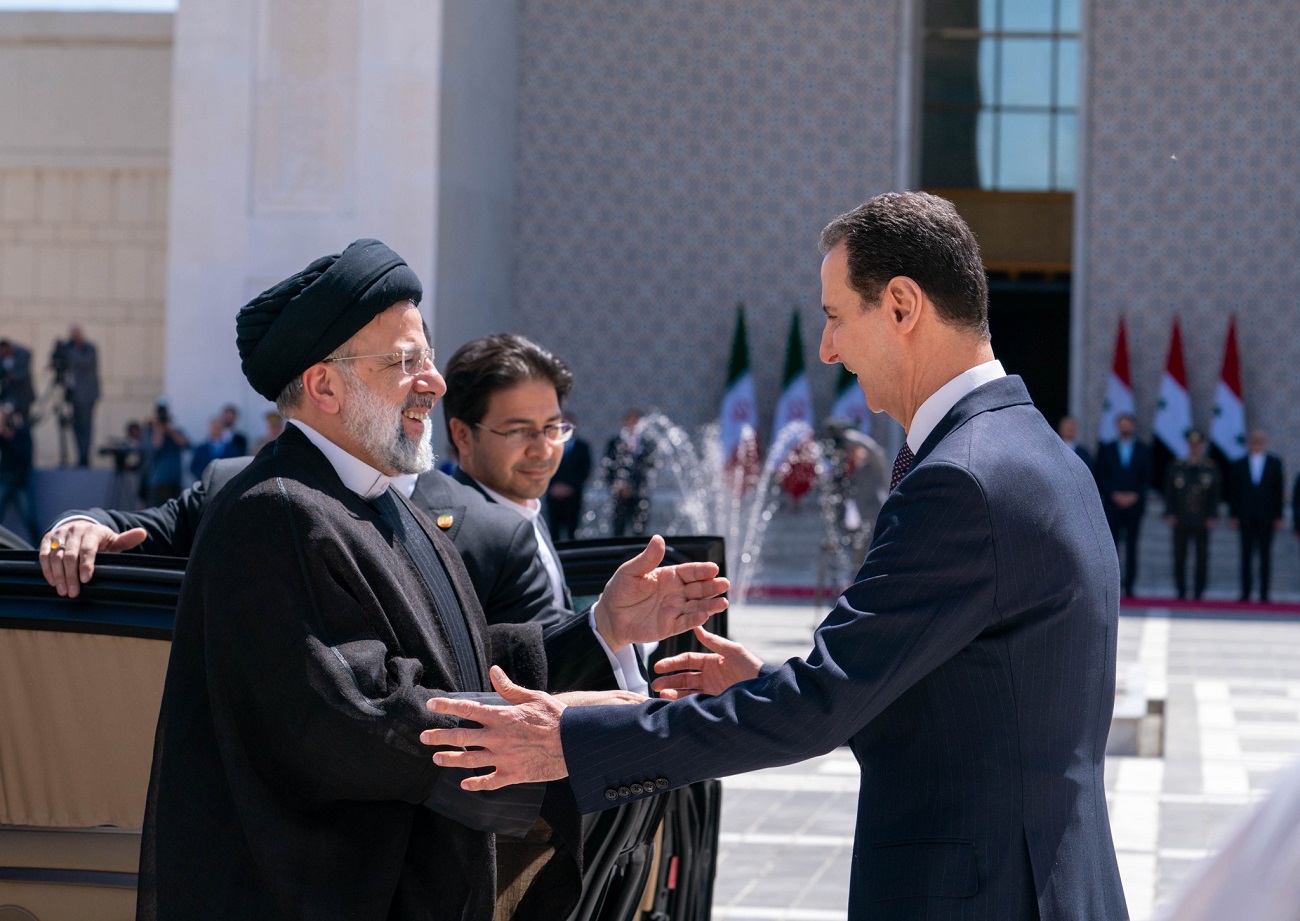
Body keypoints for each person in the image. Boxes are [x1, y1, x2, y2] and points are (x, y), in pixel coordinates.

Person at [420, 192, 1128, 920]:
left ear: (902, 305)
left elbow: (820, 709)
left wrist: (568, 741)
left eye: (834, 315)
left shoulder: (963, 478)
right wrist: (763, 679)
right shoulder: (1034, 450)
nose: (828, 349)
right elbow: (973, 698)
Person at [46, 241, 724, 921]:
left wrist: (603, 629)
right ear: (324, 386)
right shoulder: (278, 513)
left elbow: (464, 659)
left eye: (427, 357)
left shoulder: (381, 503)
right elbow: (362, 722)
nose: (433, 381)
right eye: (405, 362)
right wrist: (564, 730)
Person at [1095, 412, 1151, 596]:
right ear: (1117, 427)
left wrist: (1135, 495)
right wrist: (1114, 494)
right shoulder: (1108, 448)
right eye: (1122, 424)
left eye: (1128, 424)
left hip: (1134, 506)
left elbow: (1148, 477)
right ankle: (1114, 585)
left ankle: (1131, 586)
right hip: (1113, 505)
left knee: (1132, 546)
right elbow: (1101, 475)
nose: (1125, 428)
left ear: (1133, 427)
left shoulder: (1143, 450)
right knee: (1112, 547)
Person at [1163, 429, 1221, 600]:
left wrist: (1212, 515)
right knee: (1179, 556)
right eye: (1192, 444)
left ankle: (1199, 591)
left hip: (1202, 519)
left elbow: (1216, 494)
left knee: (1201, 557)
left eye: (1198, 445)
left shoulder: (1210, 468)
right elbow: (1169, 492)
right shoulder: (1177, 466)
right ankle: (1181, 590)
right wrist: (1170, 512)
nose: (1194, 448)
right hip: (1181, 518)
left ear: (1202, 446)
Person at [1228, 428, 1284, 602]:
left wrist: (1278, 516)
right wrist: (1234, 515)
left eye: (1260, 440)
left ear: (1265, 442)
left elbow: (1278, 492)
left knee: (1265, 556)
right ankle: (1245, 593)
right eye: (1254, 440)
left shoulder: (1275, 463)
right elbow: (1234, 493)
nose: (1257, 443)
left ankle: (1264, 594)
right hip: (1245, 517)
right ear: (1249, 442)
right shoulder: (1239, 463)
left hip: (1266, 518)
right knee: (1246, 556)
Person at [51, 324, 100, 467]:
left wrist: (66, 351)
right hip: (72, 395)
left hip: (87, 396)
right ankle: (79, 456)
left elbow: (83, 362)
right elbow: (60, 362)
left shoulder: (89, 349)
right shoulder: (69, 349)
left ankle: (84, 457)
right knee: (76, 426)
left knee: (86, 426)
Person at [604, 409, 653, 537]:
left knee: (639, 530)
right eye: (630, 420)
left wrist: (634, 488)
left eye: (636, 421)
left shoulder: (646, 444)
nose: (633, 424)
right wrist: (617, 486)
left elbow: (649, 468)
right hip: (619, 495)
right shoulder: (615, 443)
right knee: (618, 529)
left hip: (639, 495)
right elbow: (608, 467)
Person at [546, 414, 592, 542]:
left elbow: (585, 471)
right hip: (554, 497)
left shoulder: (582, 447)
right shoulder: (550, 446)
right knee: (553, 531)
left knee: (573, 532)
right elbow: (545, 467)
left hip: (573, 497)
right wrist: (553, 487)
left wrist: (569, 488)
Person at [0, 407, 40, 543]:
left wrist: (10, 437)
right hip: (4, 481)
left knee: (29, 518)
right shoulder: (2, 436)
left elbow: (23, 456)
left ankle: (39, 547)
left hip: (20, 483)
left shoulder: (23, 434)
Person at [140, 399, 189, 505]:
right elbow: (155, 447)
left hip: (175, 482)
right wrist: (158, 429)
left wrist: (169, 430)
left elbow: (184, 444)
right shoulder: (149, 432)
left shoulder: (175, 431)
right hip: (157, 482)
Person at [188, 415, 234, 483]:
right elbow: (193, 467)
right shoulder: (201, 449)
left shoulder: (232, 449)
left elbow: (234, 467)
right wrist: (205, 476)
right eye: (214, 428)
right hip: (205, 485)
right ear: (210, 429)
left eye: (218, 428)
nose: (216, 430)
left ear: (222, 429)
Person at [0, 339, 36, 419]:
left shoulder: (22, 354)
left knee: (25, 417)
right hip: (8, 393)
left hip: (23, 393)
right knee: (7, 415)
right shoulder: (2, 358)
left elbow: (23, 373)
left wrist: (12, 376)